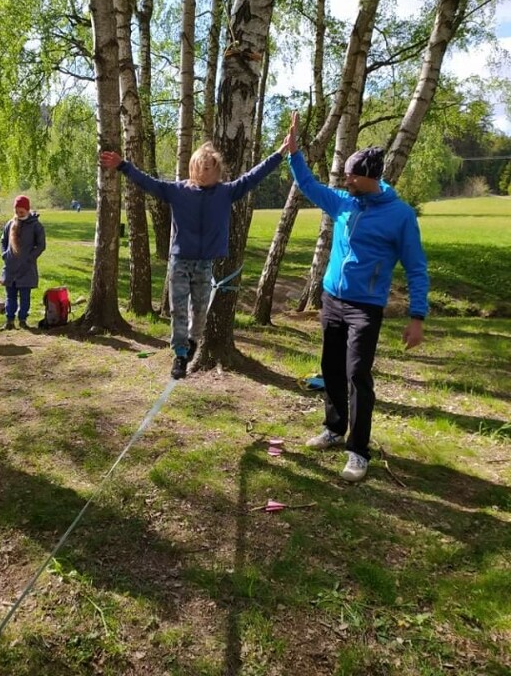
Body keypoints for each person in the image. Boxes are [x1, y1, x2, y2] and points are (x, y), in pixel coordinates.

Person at [285, 111, 429, 482]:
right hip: (332, 299)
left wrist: (417, 317)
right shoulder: (345, 202)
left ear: (370, 177)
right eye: (345, 174)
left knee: (356, 374)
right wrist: (294, 153)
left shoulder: (400, 216)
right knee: (331, 367)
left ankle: (358, 451)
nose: (345, 180)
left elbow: (416, 267)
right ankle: (334, 429)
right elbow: (310, 187)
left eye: (351, 175)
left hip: (365, 307)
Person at [100, 139, 290, 379]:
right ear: (193, 167)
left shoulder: (226, 192)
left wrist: (280, 153)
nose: (205, 170)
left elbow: (254, 176)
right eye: (201, 165)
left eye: (210, 166)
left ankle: (191, 340)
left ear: (217, 169)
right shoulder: (178, 191)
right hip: (180, 261)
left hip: (204, 264)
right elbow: (147, 182)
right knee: (178, 310)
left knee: (200, 310)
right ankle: (179, 356)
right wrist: (122, 165)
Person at [0, 195, 46, 330]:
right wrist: (4, 255)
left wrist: (30, 258)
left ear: (27, 210)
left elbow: (41, 245)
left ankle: (23, 319)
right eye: (16, 211)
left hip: (26, 267)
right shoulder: (10, 224)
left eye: (21, 211)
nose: (19, 214)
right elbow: (3, 241)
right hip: (10, 266)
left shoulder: (35, 225)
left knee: (25, 296)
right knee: (10, 296)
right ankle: (9, 320)